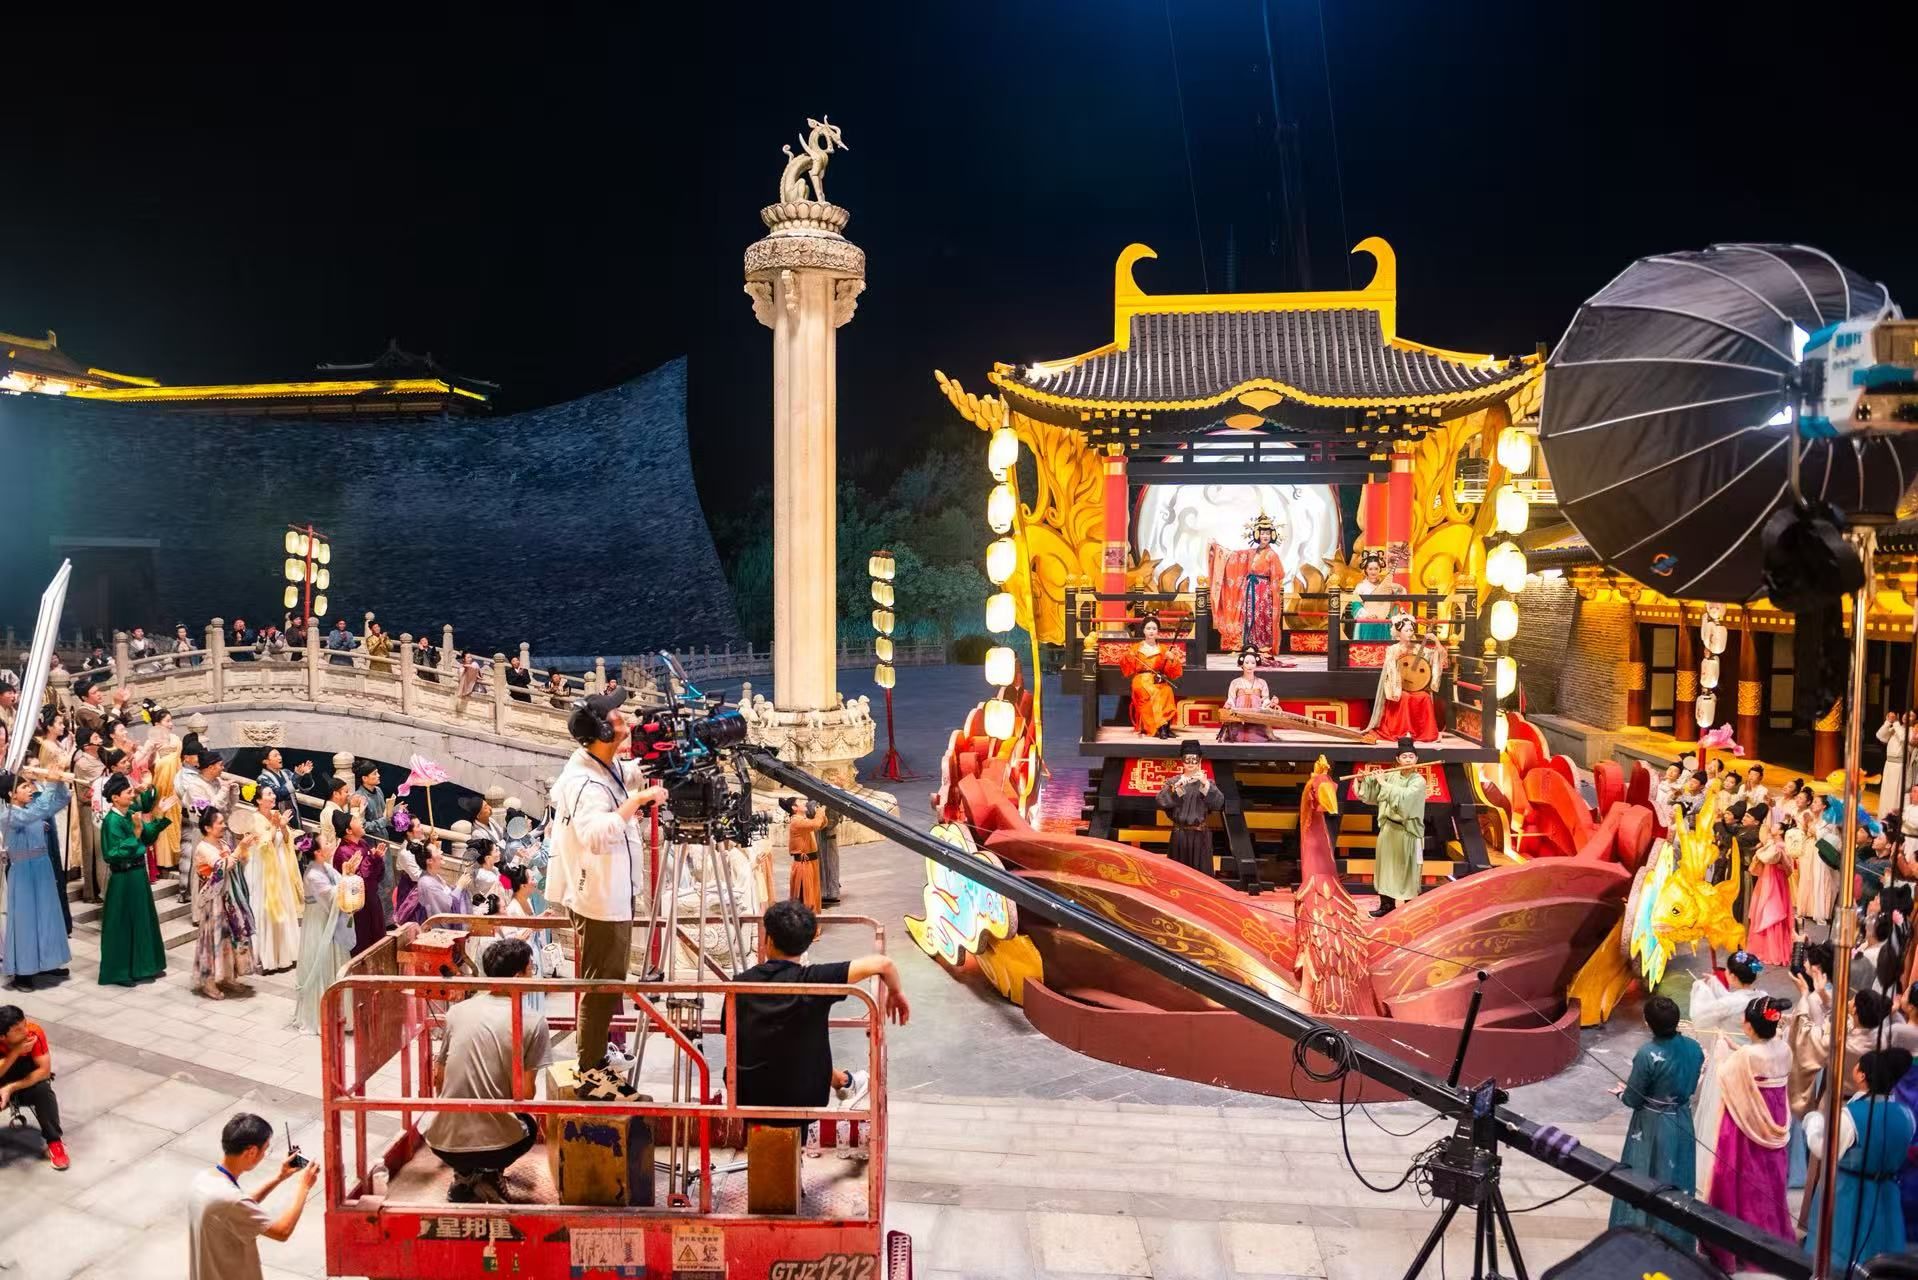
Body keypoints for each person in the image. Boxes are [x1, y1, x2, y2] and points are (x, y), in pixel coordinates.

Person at [543, 688, 667, 1101]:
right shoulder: (584, 782)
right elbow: (595, 835)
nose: (624, 718)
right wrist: (640, 801)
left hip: (609, 892)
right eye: (616, 716)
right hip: (599, 898)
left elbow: (621, 775)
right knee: (601, 987)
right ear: (599, 730)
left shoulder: (598, 765)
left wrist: (647, 768)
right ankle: (590, 1069)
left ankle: (595, 1058)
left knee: (607, 983)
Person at [731, 900, 908, 1128]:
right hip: (806, 1098)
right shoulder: (815, 980)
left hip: (745, 1097)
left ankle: (845, 1081)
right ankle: (845, 1082)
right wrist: (895, 992)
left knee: (775, 1044)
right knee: (801, 1041)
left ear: (769, 940)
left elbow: (731, 1034)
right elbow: (884, 965)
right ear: (806, 944)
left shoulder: (740, 984)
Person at [425, 938, 549, 1203]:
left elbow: (439, 1078)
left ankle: (464, 1176)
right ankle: (491, 1173)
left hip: (443, 1144)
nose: (533, 975)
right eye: (531, 969)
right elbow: (525, 1093)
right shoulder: (533, 1021)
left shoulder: (457, 1012)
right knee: (529, 1124)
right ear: (518, 977)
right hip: (499, 1148)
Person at [1703, 995, 1797, 1275]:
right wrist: (1737, 1050)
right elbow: (1757, 1061)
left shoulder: (1746, 1057)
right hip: (1774, 1117)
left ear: (1748, 1026)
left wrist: (1722, 1050)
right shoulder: (1784, 1048)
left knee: (1741, 1179)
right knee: (1770, 1180)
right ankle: (1772, 1238)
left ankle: (1735, 1245)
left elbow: (1726, 1073)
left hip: (1745, 1123)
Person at [1805, 1047, 1917, 1271]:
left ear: (1862, 1075)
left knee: (1841, 1254)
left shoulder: (1851, 1116)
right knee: (1882, 1257)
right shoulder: (1906, 1114)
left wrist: (1813, 1121)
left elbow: (1824, 1148)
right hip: (1887, 1193)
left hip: (1849, 1193)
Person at [1607, 995, 1702, 1250]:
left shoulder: (1647, 1054)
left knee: (1644, 1177)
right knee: (1678, 1178)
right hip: (1682, 1119)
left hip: (1652, 1124)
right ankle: (1677, 1241)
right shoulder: (1694, 1048)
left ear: (1648, 1023)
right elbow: (1690, 1086)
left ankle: (1638, 1241)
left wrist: (1622, 1093)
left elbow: (1633, 1099)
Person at [189, 1112, 321, 1280]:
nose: (264, 1154)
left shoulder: (204, 1179)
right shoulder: (231, 1200)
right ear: (251, 1151)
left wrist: (280, 1177)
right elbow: (282, 1231)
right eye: (265, 1149)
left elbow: (240, 1207)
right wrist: (304, 1187)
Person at [1691, 948, 1766, 1198]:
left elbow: (1701, 1016)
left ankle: (1717, 1172)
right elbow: (1735, 1001)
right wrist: (1716, 986)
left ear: (1732, 976)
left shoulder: (1729, 1003)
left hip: (1729, 1062)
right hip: (1754, 1064)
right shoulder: (1763, 997)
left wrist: (1702, 989)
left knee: (1720, 1116)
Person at [1, 766, 72, 991]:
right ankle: (22, 973)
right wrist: (50, 782)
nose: (30, 789)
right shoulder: (8, 815)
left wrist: (59, 781)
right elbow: (38, 811)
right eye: (24, 786)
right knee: (25, 922)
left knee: (47, 916)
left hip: (42, 867)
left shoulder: (31, 808)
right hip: (23, 870)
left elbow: (61, 800)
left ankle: (47, 962)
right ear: (11, 794)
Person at [97, 776, 170, 986]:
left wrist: (159, 815)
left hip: (137, 874)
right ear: (115, 797)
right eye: (128, 792)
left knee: (141, 919)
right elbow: (112, 853)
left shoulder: (129, 814)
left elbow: (147, 837)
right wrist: (135, 836)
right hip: (123, 877)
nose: (132, 795)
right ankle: (120, 972)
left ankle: (145, 967)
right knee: (122, 924)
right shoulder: (111, 821)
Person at [193, 808, 257, 1000]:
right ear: (207, 827)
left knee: (230, 938)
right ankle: (208, 981)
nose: (223, 826)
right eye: (219, 823)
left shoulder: (222, 843)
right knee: (213, 938)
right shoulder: (203, 848)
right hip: (214, 901)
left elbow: (236, 863)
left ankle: (228, 976)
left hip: (229, 898)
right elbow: (221, 868)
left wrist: (244, 849)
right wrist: (238, 849)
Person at [1360, 738, 1428, 917]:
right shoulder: (1391, 776)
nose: (1408, 760)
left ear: (1416, 759)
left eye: (1411, 756)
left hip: (1407, 831)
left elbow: (1406, 800)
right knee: (1386, 869)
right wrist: (1367, 780)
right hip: (1389, 829)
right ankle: (1386, 906)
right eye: (1404, 757)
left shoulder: (1418, 781)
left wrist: (1383, 784)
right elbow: (1374, 796)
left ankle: (1409, 910)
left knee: (1407, 871)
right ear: (1398, 759)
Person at [292, 835, 351, 1034]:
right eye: (326, 842)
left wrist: (346, 874)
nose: (330, 843)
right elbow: (332, 896)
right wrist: (346, 878)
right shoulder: (312, 875)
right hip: (319, 923)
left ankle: (339, 1014)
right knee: (321, 962)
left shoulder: (325, 867)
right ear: (317, 852)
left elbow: (339, 884)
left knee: (334, 962)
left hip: (328, 920)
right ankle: (320, 1016)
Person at [0, 1005, 67, 1170]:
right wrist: (16, 1052)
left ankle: (55, 1142)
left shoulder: (34, 1032)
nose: (25, 1031)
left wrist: (10, 1088)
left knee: (44, 1091)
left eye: (24, 1024)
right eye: (18, 1030)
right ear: (2, 1036)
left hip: (28, 1083)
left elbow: (44, 1071)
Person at [1211, 511, 1286, 656]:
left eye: (1267, 533)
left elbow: (1279, 574)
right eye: (1262, 533)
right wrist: (1217, 548)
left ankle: (1263, 645)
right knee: (1249, 615)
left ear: (1272, 535)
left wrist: (1272, 592)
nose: (1265, 536)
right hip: (1250, 589)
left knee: (1262, 615)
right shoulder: (1251, 553)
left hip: (1263, 589)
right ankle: (1250, 644)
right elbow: (1234, 556)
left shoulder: (1272, 555)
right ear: (1257, 535)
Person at [247, 790, 302, 974]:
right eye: (268, 794)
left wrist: (284, 827)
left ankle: (287, 953)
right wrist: (274, 826)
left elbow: (286, 840)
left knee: (285, 906)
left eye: (273, 794)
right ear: (258, 800)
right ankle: (268, 956)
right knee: (267, 909)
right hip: (264, 870)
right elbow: (263, 844)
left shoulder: (275, 814)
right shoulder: (254, 819)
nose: (273, 797)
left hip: (280, 866)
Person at [1154, 739, 1224, 874]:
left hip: (1200, 835)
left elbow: (1218, 804)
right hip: (1179, 835)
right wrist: (1177, 788)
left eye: (1194, 760)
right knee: (1178, 874)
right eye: (1187, 760)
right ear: (1182, 760)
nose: (1191, 763)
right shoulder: (1174, 782)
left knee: (1201, 875)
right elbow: (1161, 802)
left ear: (1200, 760)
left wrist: (1205, 785)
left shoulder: (1207, 783)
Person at [332, 811, 388, 957]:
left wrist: (377, 859)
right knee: (363, 943)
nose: (361, 823)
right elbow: (359, 880)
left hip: (372, 898)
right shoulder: (342, 852)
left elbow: (376, 876)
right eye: (356, 821)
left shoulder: (362, 843)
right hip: (357, 906)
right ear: (349, 830)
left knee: (378, 938)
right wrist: (373, 859)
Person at [1119, 617, 1183, 740]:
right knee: (1154, 693)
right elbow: (1126, 665)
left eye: (1154, 628)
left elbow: (1171, 672)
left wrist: (1172, 659)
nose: (1151, 631)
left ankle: (1165, 726)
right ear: (1143, 630)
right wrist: (1128, 657)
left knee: (1167, 691)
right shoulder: (1136, 648)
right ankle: (1161, 728)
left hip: (1156, 678)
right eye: (1148, 628)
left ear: (1158, 631)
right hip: (1141, 679)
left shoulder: (1163, 649)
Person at [1746, 805, 1792, 965]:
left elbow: (1767, 858)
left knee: (1771, 909)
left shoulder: (1779, 847)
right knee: (1762, 908)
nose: (1772, 828)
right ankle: (1762, 947)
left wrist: (1760, 851)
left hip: (1774, 881)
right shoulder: (1772, 844)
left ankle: (1772, 949)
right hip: (1767, 878)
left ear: (1781, 832)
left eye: (1775, 827)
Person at [70, 725, 106, 903]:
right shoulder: (82, 763)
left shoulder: (101, 757)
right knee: (92, 848)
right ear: (86, 744)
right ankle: (91, 890)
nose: (100, 740)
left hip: (102, 805)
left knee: (101, 847)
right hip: (88, 807)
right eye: (95, 738)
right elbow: (90, 786)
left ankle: (102, 886)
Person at [780, 796, 828, 911]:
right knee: (805, 897)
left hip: (811, 863)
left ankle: (813, 918)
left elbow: (821, 824)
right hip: (804, 865)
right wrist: (820, 811)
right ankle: (804, 920)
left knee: (814, 894)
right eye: (800, 802)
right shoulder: (796, 821)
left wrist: (820, 811)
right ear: (794, 807)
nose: (804, 803)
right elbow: (816, 824)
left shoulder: (803, 819)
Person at [1216, 649, 1274, 743]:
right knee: (1238, 736)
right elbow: (1231, 698)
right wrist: (1230, 705)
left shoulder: (1262, 682)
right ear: (1241, 664)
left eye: (1253, 663)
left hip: (1256, 714)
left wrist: (1268, 704)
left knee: (1256, 736)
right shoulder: (1235, 682)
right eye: (1247, 662)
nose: (1250, 665)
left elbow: (1265, 699)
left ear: (1256, 664)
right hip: (1240, 713)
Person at [1344, 550, 1396, 642]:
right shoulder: (1360, 587)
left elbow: (1391, 605)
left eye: (1376, 569)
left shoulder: (1385, 587)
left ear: (1380, 570)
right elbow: (1355, 605)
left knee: (1383, 647)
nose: (1373, 572)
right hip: (1366, 623)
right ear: (1366, 570)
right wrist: (1367, 615)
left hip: (1382, 623)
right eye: (1370, 569)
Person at [354, 760, 391, 839]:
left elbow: (384, 813)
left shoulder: (378, 790)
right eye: (375, 773)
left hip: (383, 836)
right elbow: (363, 826)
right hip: (370, 840)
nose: (378, 775)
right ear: (364, 778)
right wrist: (384, 821)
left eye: (377, 772)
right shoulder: (358, 797)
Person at [255, 748, 299, 816]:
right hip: (275, 814)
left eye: (279, 755)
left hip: (294, 813)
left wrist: (305, 775)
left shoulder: (286, 772)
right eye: (275, 756)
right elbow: (278, 794)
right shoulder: (263, 778)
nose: (280, 757)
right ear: (266, 761)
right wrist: (297, 776)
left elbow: (302, 788)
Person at [317, 776, 350, 863]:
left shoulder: (333, 810)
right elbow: (349, 830)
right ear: (335, 794)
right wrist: (356, 809)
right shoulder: (330, 812)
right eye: (346, 792)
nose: (348, 794)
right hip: (334, 856)